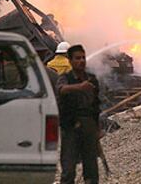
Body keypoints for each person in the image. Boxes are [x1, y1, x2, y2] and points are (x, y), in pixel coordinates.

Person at [56, 45, 100, 184]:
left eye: (83, 57)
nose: (81, 61)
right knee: (68, 169)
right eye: (77, 58)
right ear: (70, 60)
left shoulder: (91, 79)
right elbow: (61, 90)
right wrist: (80, 87)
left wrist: (98, 129)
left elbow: (96, 106)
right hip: (71, 127)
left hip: (89, 126)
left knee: (91, 169)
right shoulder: (66, 78)